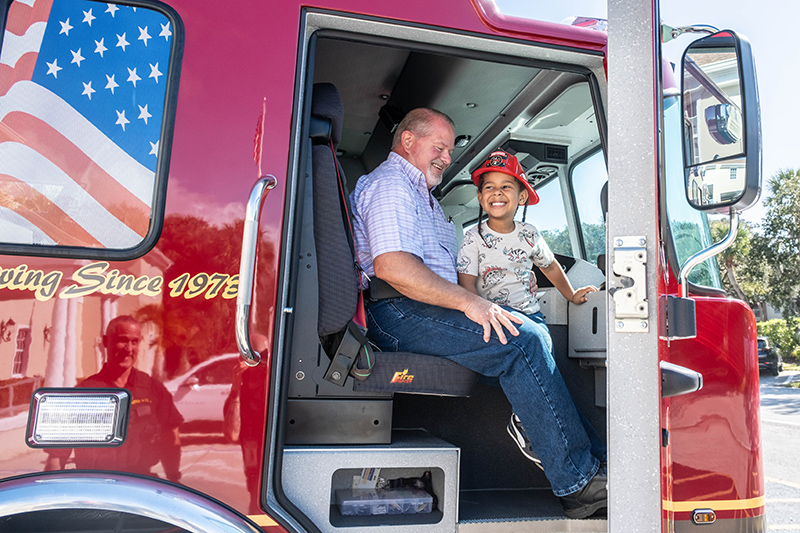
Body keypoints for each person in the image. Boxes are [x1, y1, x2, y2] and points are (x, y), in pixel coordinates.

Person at [350, 108, 607, 519]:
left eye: (449, 152)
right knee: (522, 341)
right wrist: (473, 303)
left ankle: (597, 464)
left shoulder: (422, 196)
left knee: (535, 338)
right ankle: (577, 484)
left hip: (418, 306)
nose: (446, 158)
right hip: (396, 311)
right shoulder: (392, 186)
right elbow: (394, 268)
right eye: (439, 148)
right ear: (408, 141)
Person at [456, 149, 601, 473]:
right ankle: (529, 419)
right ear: (480, 197)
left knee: (545, 358)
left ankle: (547, 428)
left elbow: (550, 267)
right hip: (492, 316)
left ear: (522, 196)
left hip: (529, 315)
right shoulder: (473, 238)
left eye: (506, 187)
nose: (497, 193)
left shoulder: (529, 234)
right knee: (529, 367)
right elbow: (466, 284)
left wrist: (571, 294)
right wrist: (478, 314)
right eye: (489, 187)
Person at [44, 315, 183, 482]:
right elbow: (58, 455)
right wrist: (51, 489)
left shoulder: (153, 389)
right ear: (106, 341)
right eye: (122, 340)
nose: (128, 348)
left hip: (140, 483)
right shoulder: (84, 393)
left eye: (134, 342)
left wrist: (174, 481)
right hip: (95, 485)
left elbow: (171, 438)